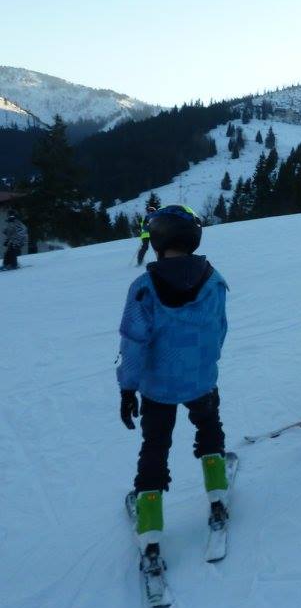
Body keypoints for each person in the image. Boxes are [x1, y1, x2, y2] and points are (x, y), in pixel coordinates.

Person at [116, 204, 229, 569]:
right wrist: (205, 367)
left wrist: (127, 388)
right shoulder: (214, 280)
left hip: (158, 388)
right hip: (201, 381)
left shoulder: (144, 288)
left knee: (155, 447)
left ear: (158, 242)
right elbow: (218, 331)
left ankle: (150, 533)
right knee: (209, 430)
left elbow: (134, 343)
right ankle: (217, 496)